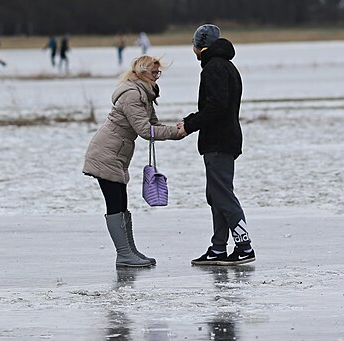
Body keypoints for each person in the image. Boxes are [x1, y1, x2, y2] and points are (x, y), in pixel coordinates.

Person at [83, 55, 187, 267]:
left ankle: (130, 251)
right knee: (115, 204)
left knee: (122, 204)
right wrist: (176, 133)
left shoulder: (144, 93)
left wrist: (179, 127)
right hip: (106, 154)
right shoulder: (132, 95)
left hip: (117, 155)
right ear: (141, 73)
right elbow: (144, 130)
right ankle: (123, 254)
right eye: (154, 73)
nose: (157, 77)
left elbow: (153, 123)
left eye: (159, 73)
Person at [182, 24, 256, 266]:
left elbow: (216, 107)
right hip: (226, 139)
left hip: (219, 141)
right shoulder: (227, 66)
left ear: (200, 46)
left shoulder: (213, 68)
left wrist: (189, 124)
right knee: (215, 195)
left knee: (223, 195)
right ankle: (218, 249)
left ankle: (244, 246)